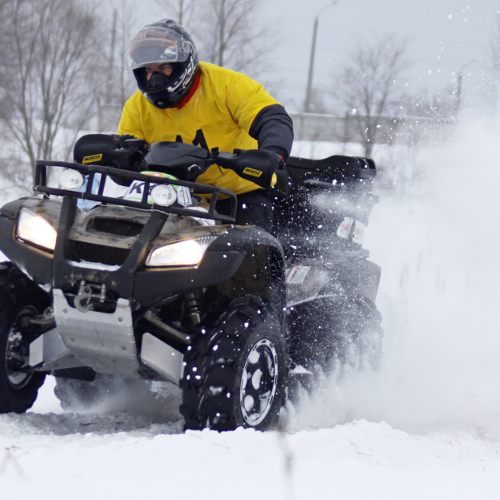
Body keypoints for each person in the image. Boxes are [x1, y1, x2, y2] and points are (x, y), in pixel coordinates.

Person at [117, 19, 293, 232]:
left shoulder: (228, 85)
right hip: (170, 196)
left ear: (183, 64)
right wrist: (119, 159)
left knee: (251, 247)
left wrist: (274, 152)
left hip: (237, 194)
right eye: (148, 71)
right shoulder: (136, 106)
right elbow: (128, 151)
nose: (153, 79)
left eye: (163, 67)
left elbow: (272, 118)